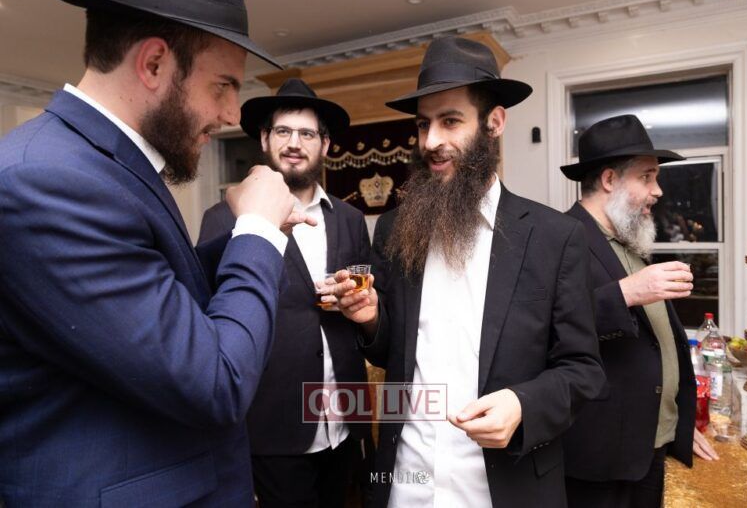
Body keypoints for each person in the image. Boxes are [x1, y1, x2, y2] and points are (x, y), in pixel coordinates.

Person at [0, 0, 311, 505]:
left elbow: (154, 298)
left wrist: (249, 234)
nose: (231, 114)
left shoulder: (104, 163)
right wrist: (257, 231)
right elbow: (217, 382)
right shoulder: (45, 181)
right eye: (223, 86)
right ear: (154, 64)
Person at [333, 36, 605, 508]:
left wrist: (522, 404)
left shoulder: (554, 237)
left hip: (505, 489)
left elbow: (583, 370)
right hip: (406, 485)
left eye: (451, 121)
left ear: (494, 123)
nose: (431, 142)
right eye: (423, 124)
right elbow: (390, 350)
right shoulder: (395, 227)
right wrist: (371, 318)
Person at [198, 78, 373, 507]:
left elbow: (368, 296)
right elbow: (211, 317)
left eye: (307, 134)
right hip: (273, 425)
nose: (294, 143)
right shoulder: (223, 219)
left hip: (344, 418)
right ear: (264, 139)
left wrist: (356, 300)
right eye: (283, 131)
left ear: (325, 145)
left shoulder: (350, 219)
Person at [560, 114, 718, 508]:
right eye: (647, 177)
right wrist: (625, 293)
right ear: (609, 180)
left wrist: (676, 423)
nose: (658, 190)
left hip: (650, 444)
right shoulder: (558, 238)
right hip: (600, 457)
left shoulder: (627, 238)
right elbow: (547, 329)